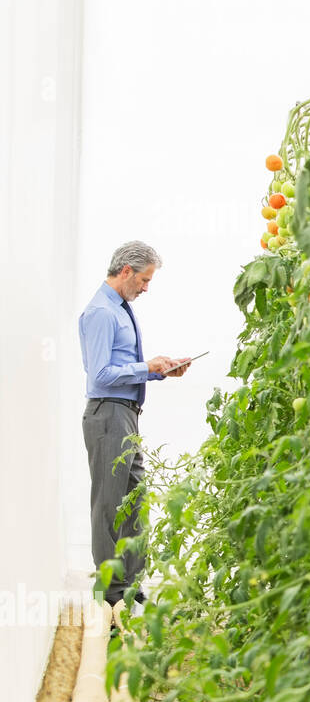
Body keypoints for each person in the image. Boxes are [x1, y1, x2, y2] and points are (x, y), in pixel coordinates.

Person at [78, 241, 190, 620]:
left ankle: (130, 587)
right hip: (108, 416)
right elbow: (100, 377)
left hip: (125, 414)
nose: (145, 288)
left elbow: (121, 368)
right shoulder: (100, 312)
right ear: (126, 271)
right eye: (143, 280)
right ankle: (109, 597)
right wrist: (147, 367)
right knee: (109, 505)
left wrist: (159, 370)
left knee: (135, 501)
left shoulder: (120, 309)